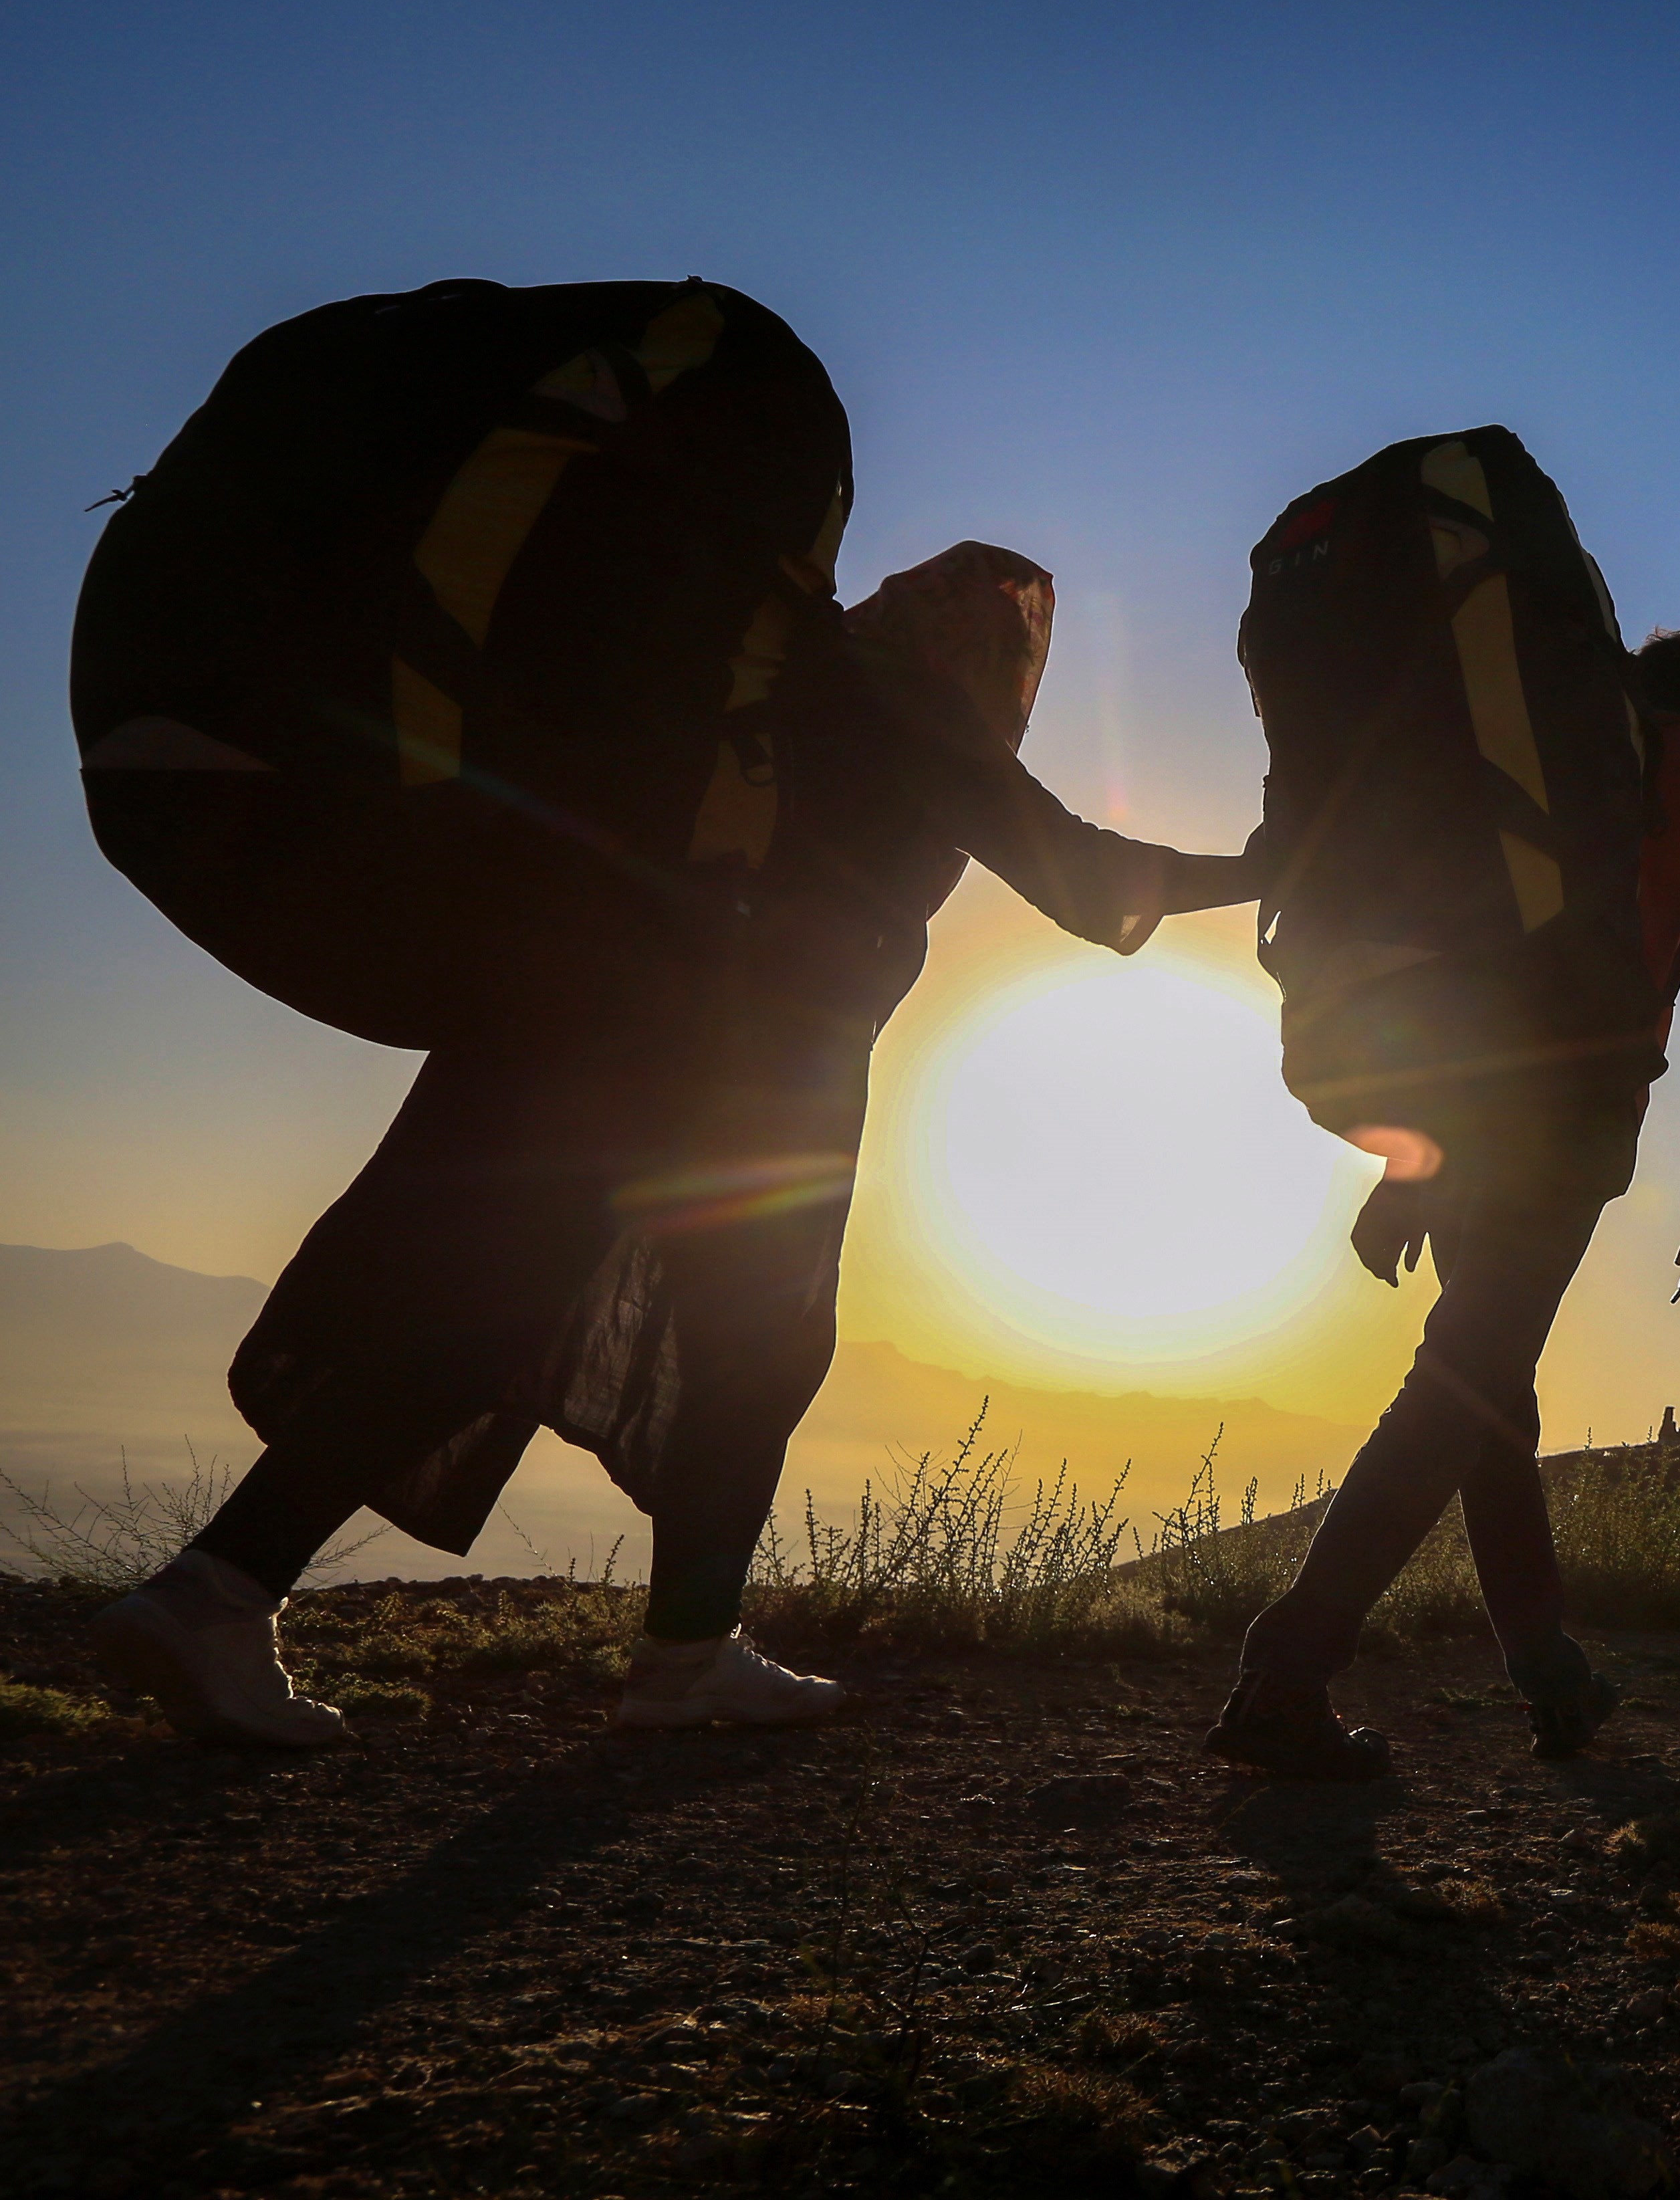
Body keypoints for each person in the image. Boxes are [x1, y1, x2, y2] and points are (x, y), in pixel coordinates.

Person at [91, 546, 1261, 1747]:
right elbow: (1091, 880)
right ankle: (685, 1655)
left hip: (584, 1022)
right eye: (1015, 652)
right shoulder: (909, 711)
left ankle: (215, 1592)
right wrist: (1282, 864)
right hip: (743, 1071)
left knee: (486, 1319)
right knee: (758, 1343)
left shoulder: (770, 686)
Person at [1205, 628, 1680, 1779]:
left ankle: (1551, 1671)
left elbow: (1473, 956)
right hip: (1574, 1099)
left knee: (1487, 1387)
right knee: (1465, 1375)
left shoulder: (1545, 750)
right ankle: (1286, 1673)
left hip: (1468, 1084)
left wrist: (1415, 1159)